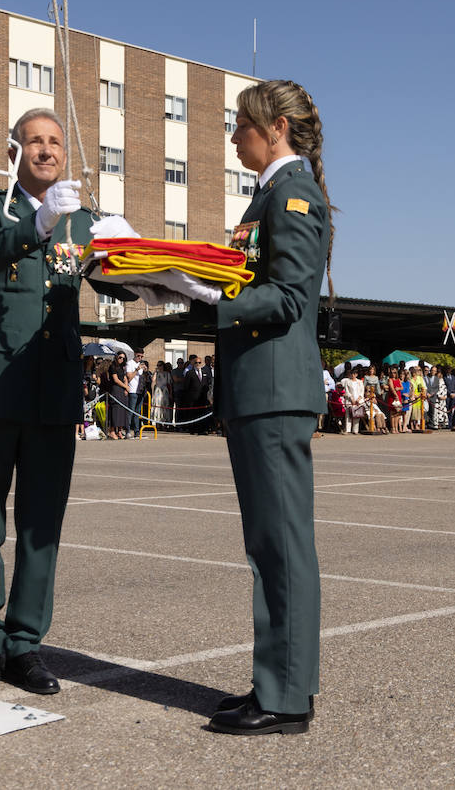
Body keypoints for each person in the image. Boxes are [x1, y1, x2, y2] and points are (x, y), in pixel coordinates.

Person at [0, 106, 134, 697]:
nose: (47, 151)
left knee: (41, 527)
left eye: (54, 142)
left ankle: (25, 645)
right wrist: (40, 225)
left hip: (52, 389)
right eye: (35, 142)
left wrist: (131, 254)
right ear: (14, 151)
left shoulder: (82, 222)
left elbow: (116, 283)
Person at [175, 80, 331, 735]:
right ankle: (278, 681)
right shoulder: (268, 194)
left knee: (282, 546)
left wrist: (215, 303)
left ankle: (287, 698)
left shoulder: (292, 193)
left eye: (241, 124)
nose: (233, 135)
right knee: (267, 546)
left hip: (274, 391)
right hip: (256, 389)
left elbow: (290, 297)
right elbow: (252, 280)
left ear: (275, 129)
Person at [107, 351, 131, 439]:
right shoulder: (112, 366)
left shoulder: (121, 367)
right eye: (120, 357)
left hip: (122, 389)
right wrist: (125, 386)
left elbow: (124, 378)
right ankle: (112, 431)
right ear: (116, 357)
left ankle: (119, 431)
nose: (121, 359)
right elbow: (116, 380)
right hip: (115, 389)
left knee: (123, 410)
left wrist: (126, 387)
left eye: (123, 358)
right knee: (115, 410)